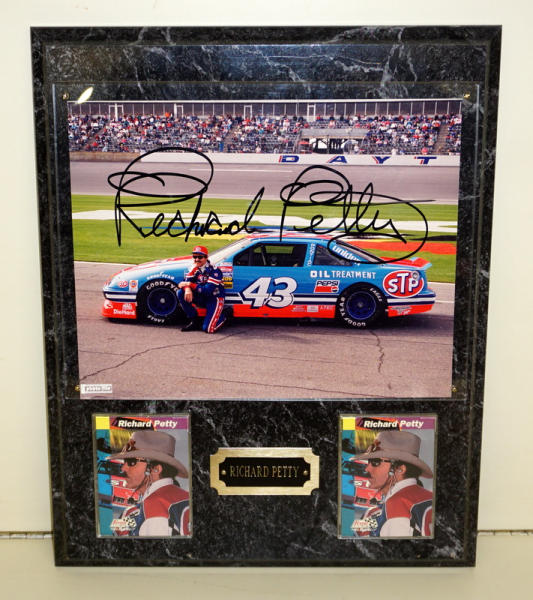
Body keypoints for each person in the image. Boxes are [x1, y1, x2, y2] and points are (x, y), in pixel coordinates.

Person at [350, 430, 433, 538]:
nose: (367, 468)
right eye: (368, 462)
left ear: (400, 469)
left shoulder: (396, 504)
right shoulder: (429, 497)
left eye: (375, 462)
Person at [108, 430, 190, 537]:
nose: (123, 468)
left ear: (155, 469)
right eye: (124, 462)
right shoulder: (185, 497)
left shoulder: (154, 507)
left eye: (131, 462)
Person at [177, 245, 227, 333]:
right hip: (202, 296)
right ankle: (194, 321)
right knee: (180, 292)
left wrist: (189, 284)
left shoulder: (215, 271)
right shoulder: (194, 268)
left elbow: (207, 291)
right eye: (195, 257)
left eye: (200, 257)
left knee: (208, 329)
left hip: (214, 298)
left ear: (206, 257)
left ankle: (222, 316)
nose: (197, 259)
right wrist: (187, 288)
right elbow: (183, 283)